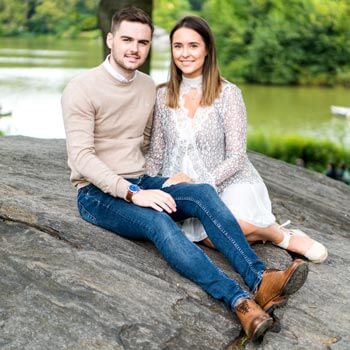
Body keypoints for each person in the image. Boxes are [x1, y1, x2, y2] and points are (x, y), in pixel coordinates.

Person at [61, 7, 309, 341]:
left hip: (142, 181)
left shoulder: (149, 87)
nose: (134, 48)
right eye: (126, 39)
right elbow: (82, 158)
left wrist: (162, 181)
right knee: (156, 220)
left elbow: (149, 143)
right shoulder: (81, 88)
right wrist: (134, 193)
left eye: (143, 42)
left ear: (150, 46)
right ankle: (239, 301)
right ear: (110, 39)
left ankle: (261, 279)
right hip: (97, 193)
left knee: (201, 192)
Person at [145, 15, 328, 264]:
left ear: (207, 49)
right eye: (178, 46)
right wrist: (144, 188)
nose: (184, 53)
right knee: (208, 237)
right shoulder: (162, 95)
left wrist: (200, 184)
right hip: (179, 184)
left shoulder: (228, 94)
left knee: (228, 227)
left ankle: (277, 234)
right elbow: (156, 153)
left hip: (227, 180)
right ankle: (266, 232)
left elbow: (236, 156)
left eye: (193, 45)